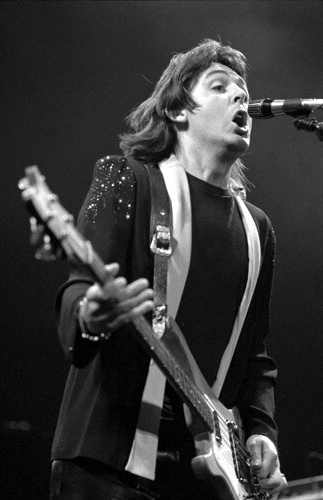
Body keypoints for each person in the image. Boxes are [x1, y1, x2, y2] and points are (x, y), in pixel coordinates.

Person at [50, 39, 287, 499]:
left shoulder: (258, 229)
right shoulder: (128, 180)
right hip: (108, 461)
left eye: (243, 89)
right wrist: (88, 315)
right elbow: (78, 289)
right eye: (220, 87)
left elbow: (254, 357)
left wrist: (261, 432)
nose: (241, 96)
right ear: (179, 111)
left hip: (203, 477)